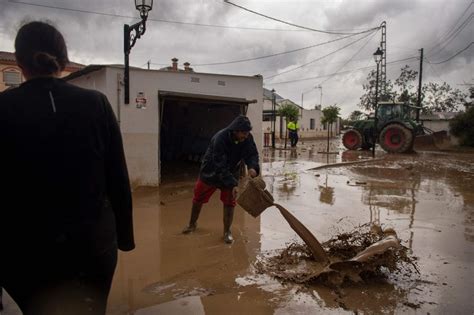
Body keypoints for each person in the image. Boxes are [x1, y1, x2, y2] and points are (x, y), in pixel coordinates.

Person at [0, 21, 134, 315]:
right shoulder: (96, 104)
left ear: (19, 62)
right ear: (62, 61)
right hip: (92, 249)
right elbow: (118, 178)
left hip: (23, 253)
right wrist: (124, 238)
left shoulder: (4, 108)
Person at [182, 115, 260, 244]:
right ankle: (192, 224)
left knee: (230, 202)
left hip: (230, 171)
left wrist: (253, 167)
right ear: (236, 130)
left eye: (247, 133)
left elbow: (252, 154)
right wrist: (233, 183)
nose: (246, 136)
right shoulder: (220, 138)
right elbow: (220, 165)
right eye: (244, 133)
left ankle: (227, 231)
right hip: (211, 171)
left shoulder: (247, 138)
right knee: (198, 197)